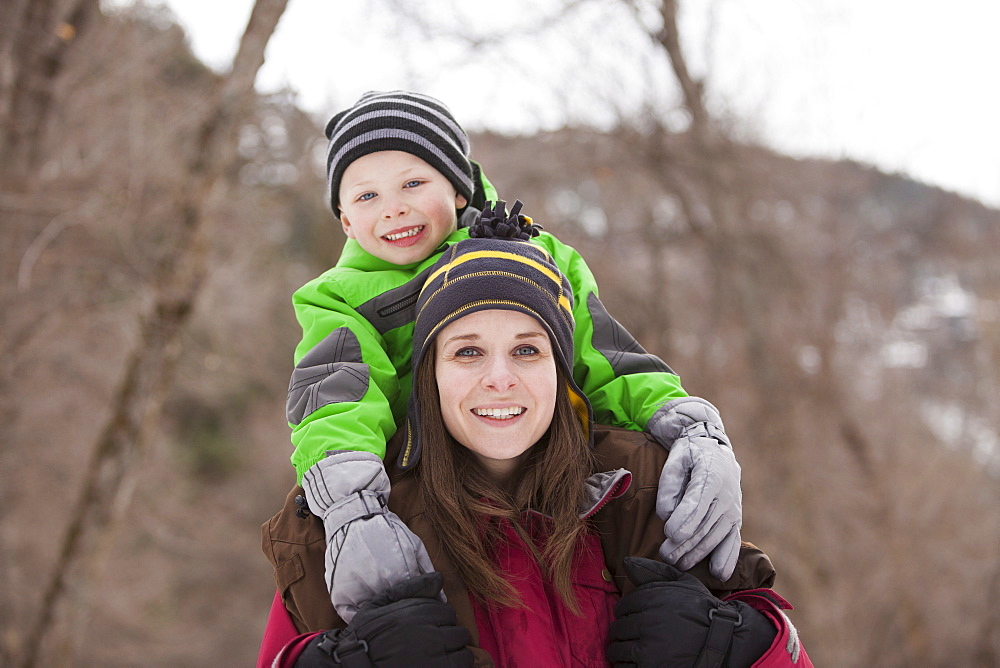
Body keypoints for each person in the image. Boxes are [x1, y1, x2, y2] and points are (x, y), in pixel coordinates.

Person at [286, 90, 743, 624]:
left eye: (413, 183)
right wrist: (351, 505)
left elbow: (610, 359)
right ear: (344, 220)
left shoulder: (534, 257)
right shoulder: (338, 297)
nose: (393, 207)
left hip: (549, 473)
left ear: (458, 189)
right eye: (366, 197)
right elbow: (338, 402)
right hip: (420, 488)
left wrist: (691, 429)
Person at [258, 225, 811, 667]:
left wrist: (739, 644)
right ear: (429, 375)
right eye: (468, 352)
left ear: (563, 370)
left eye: (527, 351)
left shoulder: (649, 488)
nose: (500, 378)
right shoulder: (345, 526)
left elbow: (785, 650)